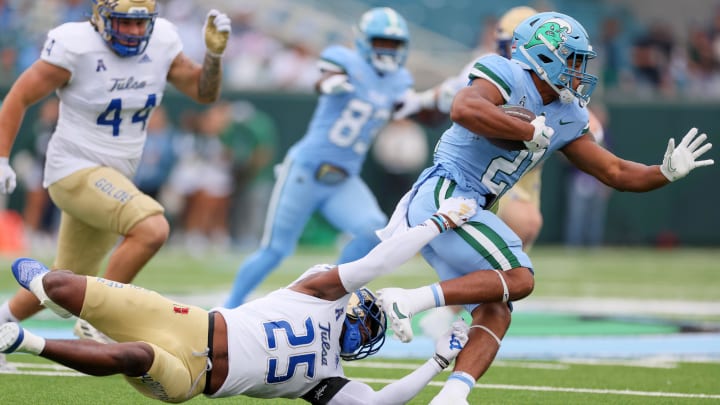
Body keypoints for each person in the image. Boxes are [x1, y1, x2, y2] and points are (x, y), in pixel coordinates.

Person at [373, 11, 714, 405]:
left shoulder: (569, 114)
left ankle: (452, 395)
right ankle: (408, 301)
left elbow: (616, 171)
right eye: (572, 60)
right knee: (520, 276)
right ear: (544, 56)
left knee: (497, 309)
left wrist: (664, 172)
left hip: (472, 207)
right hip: (446, 192)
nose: (579, 71)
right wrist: (525, 129)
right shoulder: (506, 73)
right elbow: (463, 109)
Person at [0, 196, 476, 403]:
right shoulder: (318, 291)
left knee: (135, 355)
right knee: (61, 286)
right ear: (355, 304)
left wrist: (436, 363)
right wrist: (434, 224)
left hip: (192, 378)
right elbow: (374, 265)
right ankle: (44, 290)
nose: (364, 332)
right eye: (367, 321)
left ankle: (20, 340)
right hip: (190, 322)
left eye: (370, 334)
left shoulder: (329, 379)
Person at [0, 0, 231, 358]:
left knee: (65, 286)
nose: (136, 32)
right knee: (153, 227)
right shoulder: (76, 45)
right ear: (101, 18)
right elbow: (19, 96)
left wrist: (213, 58)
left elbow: (204, 93)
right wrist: (1, 158)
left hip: (115, 175)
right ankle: (100, 319)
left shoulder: (163, 41)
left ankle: (2, 320)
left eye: (142, 24)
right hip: (73, 169)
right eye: (126, 23)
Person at [225, 7, 414, 307]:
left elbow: (413, 108)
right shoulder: (345, 59)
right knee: (275, 250)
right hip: (306, 171)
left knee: (373, 230)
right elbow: (325, 77)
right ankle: (227, 308)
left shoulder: (399, 79)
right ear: (365, 40)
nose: (387, 50)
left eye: (393, 44)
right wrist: (330, 82)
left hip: (344, 180)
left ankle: (329, 297)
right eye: (381, 42)